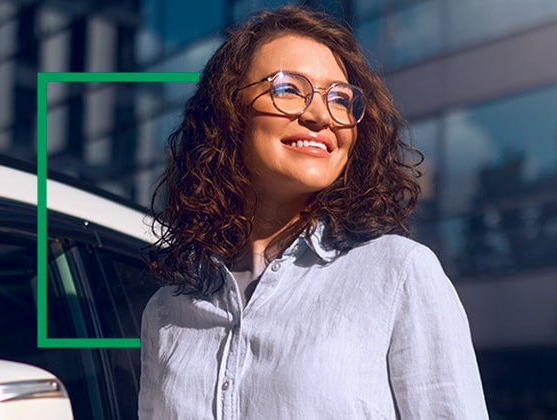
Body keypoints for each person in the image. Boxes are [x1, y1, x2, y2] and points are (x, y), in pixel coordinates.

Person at [138, 5, 489, 419]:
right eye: (288, 89)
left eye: (341, 99)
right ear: (229, 111)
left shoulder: (397, 274)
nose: (320, 115)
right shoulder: (166, 312)